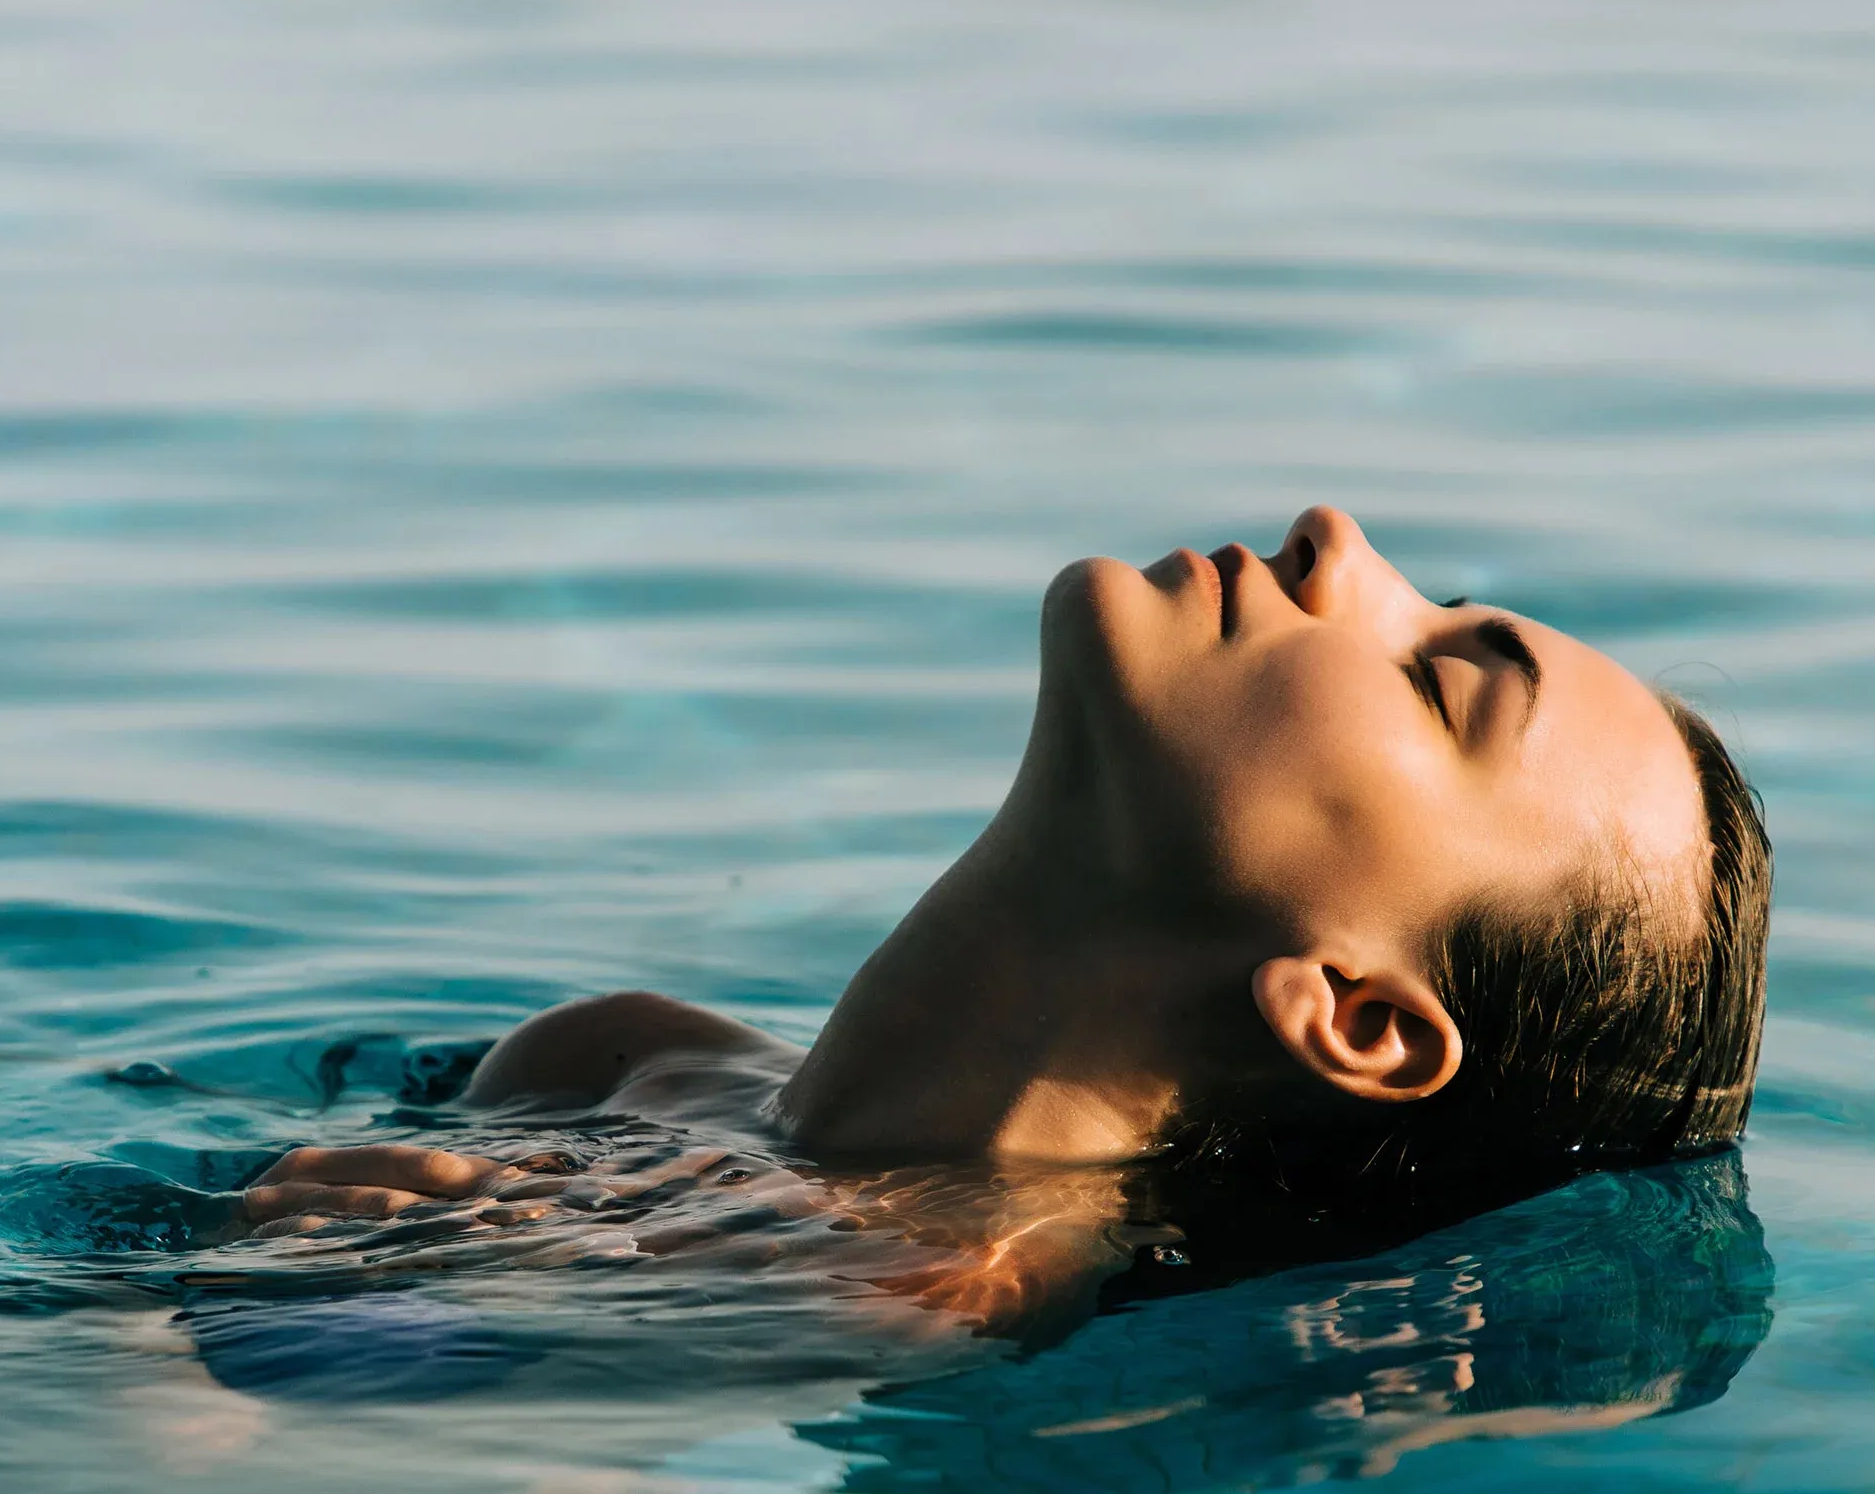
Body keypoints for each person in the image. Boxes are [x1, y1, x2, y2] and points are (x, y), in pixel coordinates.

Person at [231, 503, 1771, 1290]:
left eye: (1439, 683)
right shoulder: (608, 1061)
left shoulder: (928, 1287)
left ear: (1357, 1014)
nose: (1339, 542)